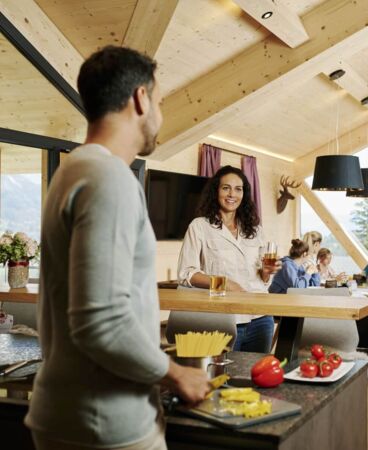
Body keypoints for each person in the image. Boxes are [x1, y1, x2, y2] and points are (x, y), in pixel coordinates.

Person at [25, 46, 210, 450]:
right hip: (104, 422)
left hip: (69, 411)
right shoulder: (109, 179)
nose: (160, 115)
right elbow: (100, 322)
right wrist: (176, 373)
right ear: (141, 98)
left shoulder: (73, 169)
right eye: (159, 102)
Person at [178, 165, 280, 353]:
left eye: (238, 189)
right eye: (226, 188)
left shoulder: (256, 230)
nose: (232, 194)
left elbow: (262, 280)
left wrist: (266, 273)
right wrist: (224, 283)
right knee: (220, 376)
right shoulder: (199, 226)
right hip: (224, 317)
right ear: (216, 191)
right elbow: (187, 274)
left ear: (244, 194)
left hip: (261, 317)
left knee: (256, 375)